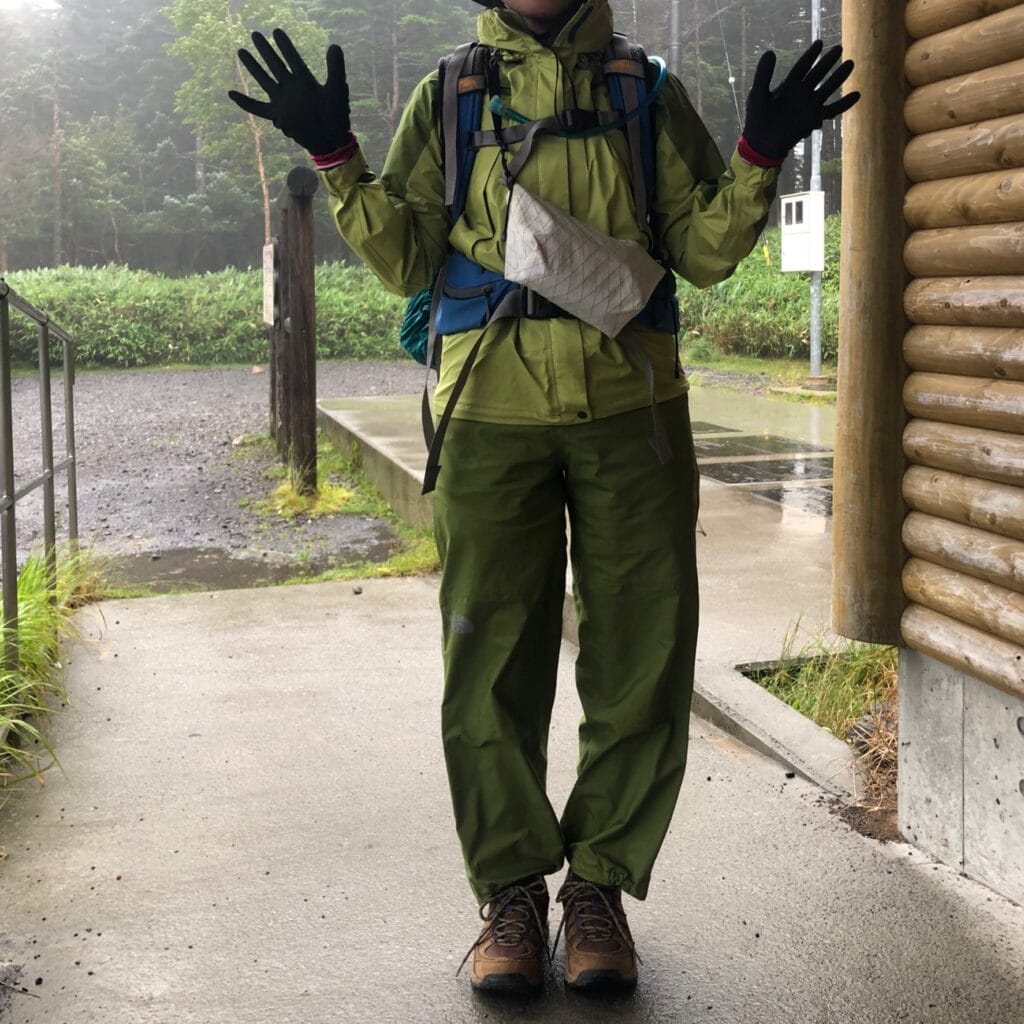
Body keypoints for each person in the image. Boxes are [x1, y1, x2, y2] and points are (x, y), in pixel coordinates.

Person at [230, 0, 858, 996]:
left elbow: (699, 252)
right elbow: (403, 257)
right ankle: (511, 895)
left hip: (632, 410)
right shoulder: (450, 94)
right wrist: (336, 154)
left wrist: (755, 156)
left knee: (643, 657)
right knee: (488, 661)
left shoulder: (642, 91)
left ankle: (600, 889)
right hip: (487, 413)